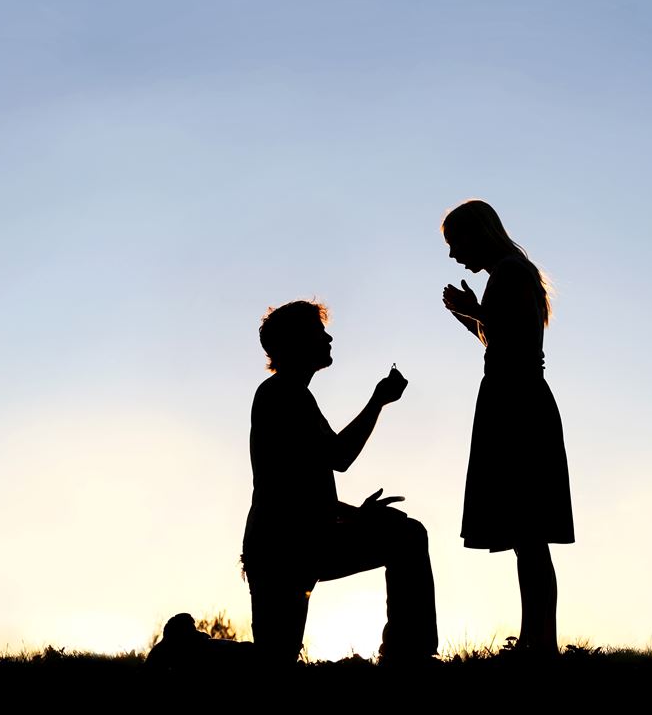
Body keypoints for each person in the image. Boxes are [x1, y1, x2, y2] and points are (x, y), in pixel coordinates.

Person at [241, 300, 438, 666]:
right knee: (274, 659)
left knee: (406, 535)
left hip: (297, 542)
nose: (329, 338)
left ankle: (407, 654)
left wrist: (356, 515)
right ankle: (187, 648)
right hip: (284, 548)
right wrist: (378, 400)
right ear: (297, 342)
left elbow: (303, 486)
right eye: (319, 332)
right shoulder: (281, 395)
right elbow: (337, 457)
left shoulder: (291, 394)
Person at [441, 199, 574, 656]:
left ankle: (541, 644)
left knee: (528, 533)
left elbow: (512, 339)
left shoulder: (511, 272)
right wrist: (470, 315)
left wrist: (474, 310)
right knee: (525, 535)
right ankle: (536, 640)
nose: (454, 254)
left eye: (456, 242)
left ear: (478, 233)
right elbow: (502, 338)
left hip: (516, 406)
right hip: (513, 401)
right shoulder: (510, 273)